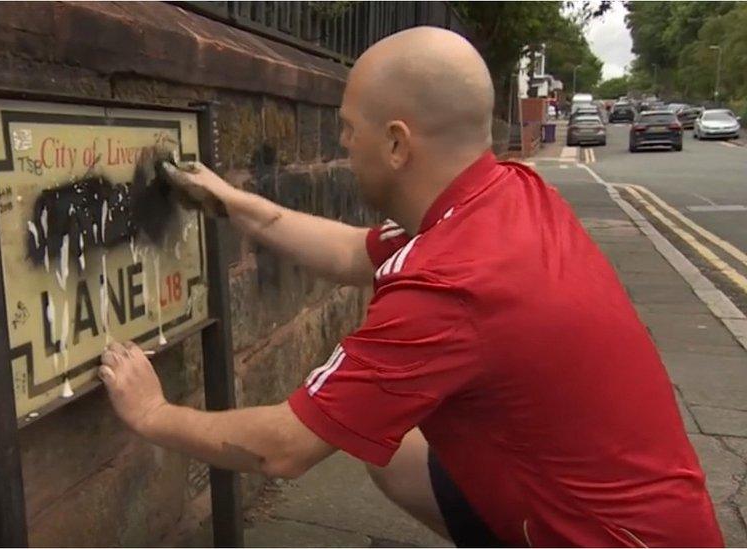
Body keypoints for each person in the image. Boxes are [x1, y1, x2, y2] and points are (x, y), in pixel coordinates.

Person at [97, 26, 723, 547]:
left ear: (396, 143)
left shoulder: (451, 287)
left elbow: (280, 451)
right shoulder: (506, 194)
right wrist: (237, 204)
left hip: (613, 540)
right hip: (653, 515)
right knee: (392, 450)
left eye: (347, 128)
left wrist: (153, 415)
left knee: (359, 434)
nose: (342, 143)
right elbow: (351, 251)